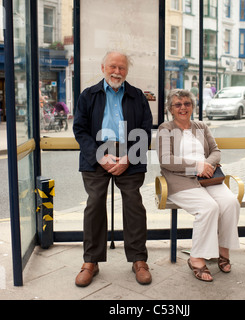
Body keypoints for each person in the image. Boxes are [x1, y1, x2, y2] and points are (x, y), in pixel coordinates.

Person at [73, 50, 153, 287]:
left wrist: (128, 158)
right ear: (103, 68)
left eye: (122, 68)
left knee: (134, 204)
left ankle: (139, 260)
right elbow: (80, 130)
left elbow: (145, 129)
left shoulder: (138, 96)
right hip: (98, 154)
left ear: (126, 71)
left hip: (130, 154)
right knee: (95, 203)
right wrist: (100, 156)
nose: (117, 72)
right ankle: (91, 261)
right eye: (113, 67)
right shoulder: (88, 95)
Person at [157, 89, 240, 282]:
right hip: (180, 180)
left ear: (192, 106)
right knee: (208, 208)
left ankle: (223, 249)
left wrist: (208, 165)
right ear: (171, 108)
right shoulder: (165, 128)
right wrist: (196, 166)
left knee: (230, 202)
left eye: (187, 103)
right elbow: (165, 159)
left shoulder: (201, 125)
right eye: (178, 105)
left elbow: (215, 151)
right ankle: (196, 258)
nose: (183, 108)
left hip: (208, 177)